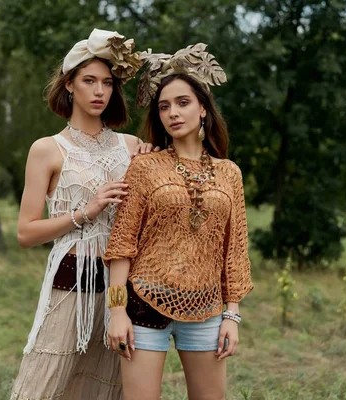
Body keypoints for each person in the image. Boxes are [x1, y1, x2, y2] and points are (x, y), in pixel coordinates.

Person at [10, 29, 156, 400]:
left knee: (109, 384)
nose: (99, 91)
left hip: (122, 288)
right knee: (44, 384)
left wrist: (155, 171)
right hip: (71, 282)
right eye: (88, 80)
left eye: (107, 83)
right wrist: (85, 212)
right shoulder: (47, 149)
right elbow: (26, 233)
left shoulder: (133, 147)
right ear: (69, 84)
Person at [103, 44, 254, 400]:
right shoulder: (144, 166)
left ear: (203, 108)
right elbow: (122, 244)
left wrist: (232, 316)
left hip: (206, 310)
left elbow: (235, 251)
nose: (173, 113)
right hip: (143, 305)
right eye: (164, 106)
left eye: (183, 103)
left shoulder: (229, 173)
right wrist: (116, 311)